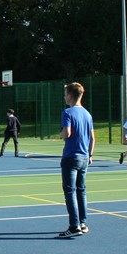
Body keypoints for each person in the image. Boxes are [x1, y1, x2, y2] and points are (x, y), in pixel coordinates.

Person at [57, 82, 95, 239]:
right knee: (81, 190)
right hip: (84, 157)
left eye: (65, 94)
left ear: (71, 96)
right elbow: (92, 138)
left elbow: (67, 132)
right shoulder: (87, 114)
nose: (64, 97)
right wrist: (90, 155)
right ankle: (83, 223)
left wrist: (60, 135)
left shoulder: (67, 113)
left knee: (70, 191)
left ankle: (74, 226)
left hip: (71, 157)